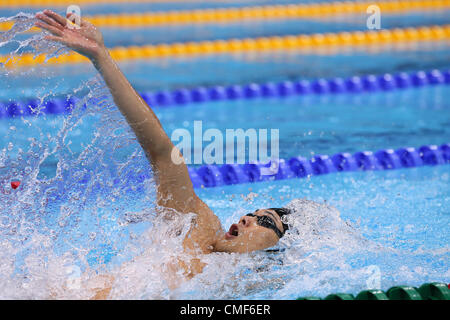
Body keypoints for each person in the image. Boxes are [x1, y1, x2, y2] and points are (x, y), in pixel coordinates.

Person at [34, 10, 292, 298]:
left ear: (279, 248)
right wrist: (101, 57)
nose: (247, 218)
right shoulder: (199, 228)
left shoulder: (245, 286)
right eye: (253, 213)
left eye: (265, 221)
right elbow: (162, 152)